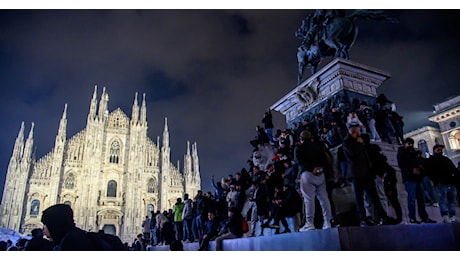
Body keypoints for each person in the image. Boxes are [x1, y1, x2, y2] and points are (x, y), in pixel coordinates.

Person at [342, 125, 396, 226]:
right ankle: (363, 218)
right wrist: (360, 144)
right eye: (358, 131)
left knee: (374, 196)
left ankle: (383, 216)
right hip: (357, 174)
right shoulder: (347, 142)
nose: (360, 133)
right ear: (353, 132)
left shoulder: (359, 141)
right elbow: (353, 154)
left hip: (367, 173)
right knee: (360, 198)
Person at [294, 130, 334, 231]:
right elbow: (325, 159)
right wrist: (318, 168)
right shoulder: (318, 146)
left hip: (307, 174)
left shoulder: (299, 148)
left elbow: (299, 162)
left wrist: (311, 168)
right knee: (324, 199)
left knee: (309, 200)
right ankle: (328, 221)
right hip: (320, 173)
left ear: (301, 138)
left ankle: (310, 223)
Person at [41, 203, 124, 250]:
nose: (43, 228)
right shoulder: (75, 237)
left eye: (45, 224)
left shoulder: (71, 245)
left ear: (55, 224)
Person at [397, 138, 436, 224]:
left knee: (421, 199)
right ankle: (412, 218)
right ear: (404, 144)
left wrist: (419, 170)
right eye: (408, 143)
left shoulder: (414, 153)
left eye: (411, 143)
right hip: (409, 178)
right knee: (412, 199)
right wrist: (411, 170)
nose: (410, 145)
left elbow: (418, 162)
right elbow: (401, 164)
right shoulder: (402, 151)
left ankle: (424, 217)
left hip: (418, 178)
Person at [426, 144, 458, 223]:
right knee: (443, 200)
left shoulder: (446, 159)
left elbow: (454, 170)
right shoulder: (432, 160)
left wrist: (454, 179)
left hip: (450, 182)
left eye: (440, 150)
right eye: (438, 150)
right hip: (441, 184)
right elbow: (430, 172)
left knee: (452, 200)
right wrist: (437, 181)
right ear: (434, 151)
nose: (440, 151)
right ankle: (445, 216)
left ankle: (452, 216)